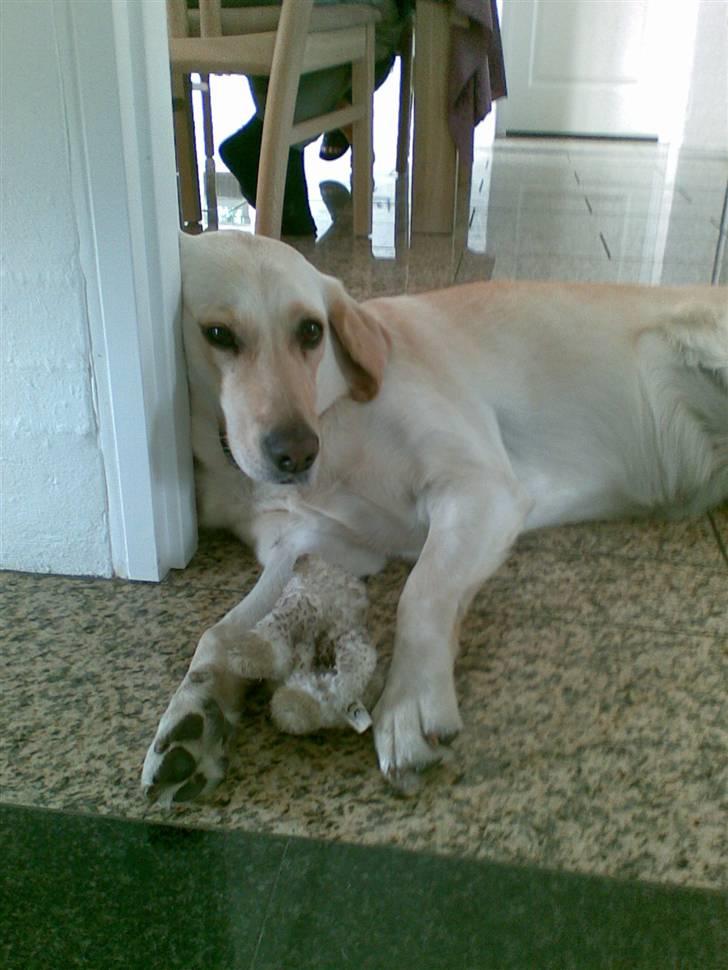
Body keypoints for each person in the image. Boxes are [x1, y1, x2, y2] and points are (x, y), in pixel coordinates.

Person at [212, 0, 411, 235]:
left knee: (281, 26)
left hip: (200, 10)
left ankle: (278, 136)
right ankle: (280, 135)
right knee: (388, 24)